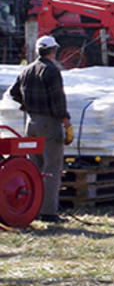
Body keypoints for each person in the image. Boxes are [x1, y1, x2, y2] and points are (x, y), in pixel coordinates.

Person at [10, 35, 71, 223]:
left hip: (31, 124)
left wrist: (25, 104)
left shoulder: (26, 70)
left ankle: (32, 208)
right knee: (52, 167)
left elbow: (13, 93)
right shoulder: (51, 71)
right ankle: (49, 212)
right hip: (49, 124)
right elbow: (57, 99)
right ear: (53, 51)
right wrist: (65, 120)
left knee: (33, 169)